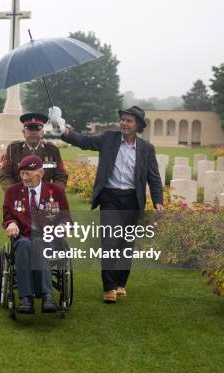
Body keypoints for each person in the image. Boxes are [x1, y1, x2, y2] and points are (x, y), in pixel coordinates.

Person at [49, 105, 164, 304]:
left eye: (129, 121)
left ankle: (120, 283)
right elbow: (84, 141)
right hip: (110, 198)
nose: (124, 123)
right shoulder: (108, 139)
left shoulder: (146, 149)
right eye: (123, 120)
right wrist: (63, 129)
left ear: (138, 125)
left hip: (132, 200)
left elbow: (153, 177)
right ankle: (109, 287)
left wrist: (158, 201)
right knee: (110, 242)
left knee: (125, 245)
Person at [2, 155, 70, 314]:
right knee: (25, 244)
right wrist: (11, 223)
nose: (25, 177)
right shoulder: (13, 192)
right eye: (22, 173)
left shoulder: (56, 191)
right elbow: (7, 216)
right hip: (23, 237)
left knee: (39, 243)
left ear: (41, 172)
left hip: (49, 239)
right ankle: (26, 298)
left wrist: (61, 226)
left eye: (28, 173)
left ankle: (47, 296)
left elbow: (66, 218)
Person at [0, 112, 68, 192]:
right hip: (20, 196)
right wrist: (13, 194)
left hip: (45, 197)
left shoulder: (52, 150)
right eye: (30, 128)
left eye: (37, 128)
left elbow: (61, 176)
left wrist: (54, 193)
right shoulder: (13, 149)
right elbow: (5, 176)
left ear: (42, 133)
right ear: (23, 132)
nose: (33, 132)